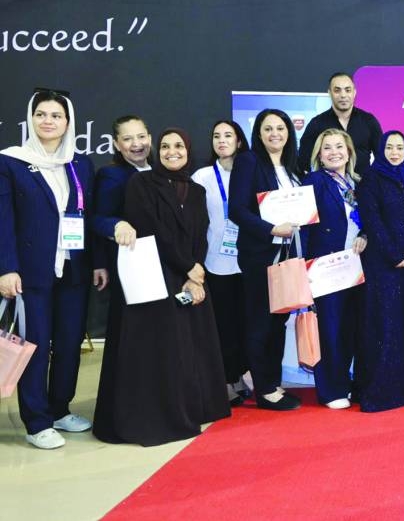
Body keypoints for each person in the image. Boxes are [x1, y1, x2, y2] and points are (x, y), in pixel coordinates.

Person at [98, 128, 230, 446]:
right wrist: (187, 267)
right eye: (166, 146)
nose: (173, 151)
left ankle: (192, 408)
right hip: (155, 280)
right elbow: (150, 229)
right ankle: (159, 417)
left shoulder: (196, 190)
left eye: (179, 146)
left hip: (188, 278)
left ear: (188, 150)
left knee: (188, 349)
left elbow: (201, 233)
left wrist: (195, 272)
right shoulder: (141, 183)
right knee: (160, 353)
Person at [0, 89, 96, 450]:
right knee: (35, 346)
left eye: (56, 115)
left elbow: (88, 216)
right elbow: (3, 220)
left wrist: (97, 264)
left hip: (73, 269)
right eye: (41, 114)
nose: (48, 121)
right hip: (30, 272)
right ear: (30, 118)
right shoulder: (11, 161)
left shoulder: (79, 164)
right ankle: (36, 421)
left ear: (68, 122)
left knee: (69, 344)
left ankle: (59, 409)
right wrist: (6, 268)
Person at [229, 109, 303, 411]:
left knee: (278, 321)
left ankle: (273, 383)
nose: (275, 134)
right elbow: (237, 210)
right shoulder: (248, 161)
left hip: (287, 256)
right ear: (258, 133)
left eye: (280, 128)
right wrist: (271, 229)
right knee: (260, 322)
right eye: (268, 128)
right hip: (260, 256)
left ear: (289, 133)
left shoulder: (292, 166)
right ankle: (264, 389)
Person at [354, 131, 404, 412]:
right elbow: (372, 220)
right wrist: (394, 255)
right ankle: (383, 389)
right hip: (383, 267)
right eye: (389, 147)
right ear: (380, 150)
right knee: (386, 325)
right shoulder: (371, 180)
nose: (395, 152)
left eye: (400, 147)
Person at [91, 114, 153, 442]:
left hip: (162, 270)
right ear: (117, 144)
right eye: (128, 139)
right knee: (128, 341)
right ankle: (124, 410)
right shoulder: (112, 175)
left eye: (141, 136)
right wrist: (116, 226)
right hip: (131, 268)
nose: (136, 144)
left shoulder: (160, 171)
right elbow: (97, 218)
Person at [301, 129, 368, 409]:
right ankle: (331, 390)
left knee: (350, 328)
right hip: (325, 267)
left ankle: (344, 382)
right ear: (319, 155)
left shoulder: (359, 183)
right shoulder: (314, 181)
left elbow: (369, 221)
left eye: (339, 146)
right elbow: (304, 227)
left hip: (356, 268)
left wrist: (365, 235)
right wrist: (304, 270)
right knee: (330, 329)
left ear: (349, 152)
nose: (334, 152)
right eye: (327, 148)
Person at [191, 120, 252, 407]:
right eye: (217, 136)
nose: (222, 140)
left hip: (248, 260)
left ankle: (239, 375)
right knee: (223, 324)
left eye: (228, 135)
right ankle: (225, 380)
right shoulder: (202, 176)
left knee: (244, 324)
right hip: (215, 261)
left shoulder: (250, 172)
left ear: (239, 141)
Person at [296, 72, 384, 176]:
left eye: (348, 90)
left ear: (354, 92)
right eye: (337, 90)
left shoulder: (369, 121)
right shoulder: (316, 124)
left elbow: (382, 158)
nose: (343, 95)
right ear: (329, 93)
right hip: (327, 185)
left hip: (364, 184)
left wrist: (374, 180)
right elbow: (303, 162)